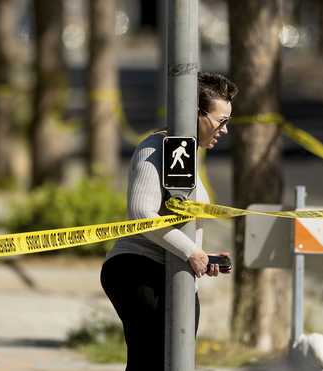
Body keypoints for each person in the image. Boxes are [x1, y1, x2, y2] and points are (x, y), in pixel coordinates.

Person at [100, 72, 238, 371]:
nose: (224, 130)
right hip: (138, 269)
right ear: (193, 113)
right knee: (151, 363)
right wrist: (190, 252)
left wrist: (202, 256)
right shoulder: (155, 148)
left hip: (173, 272)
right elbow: (142, 213)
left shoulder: (186, 155)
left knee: (176, 362)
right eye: (220, 120)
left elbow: (180, 219)